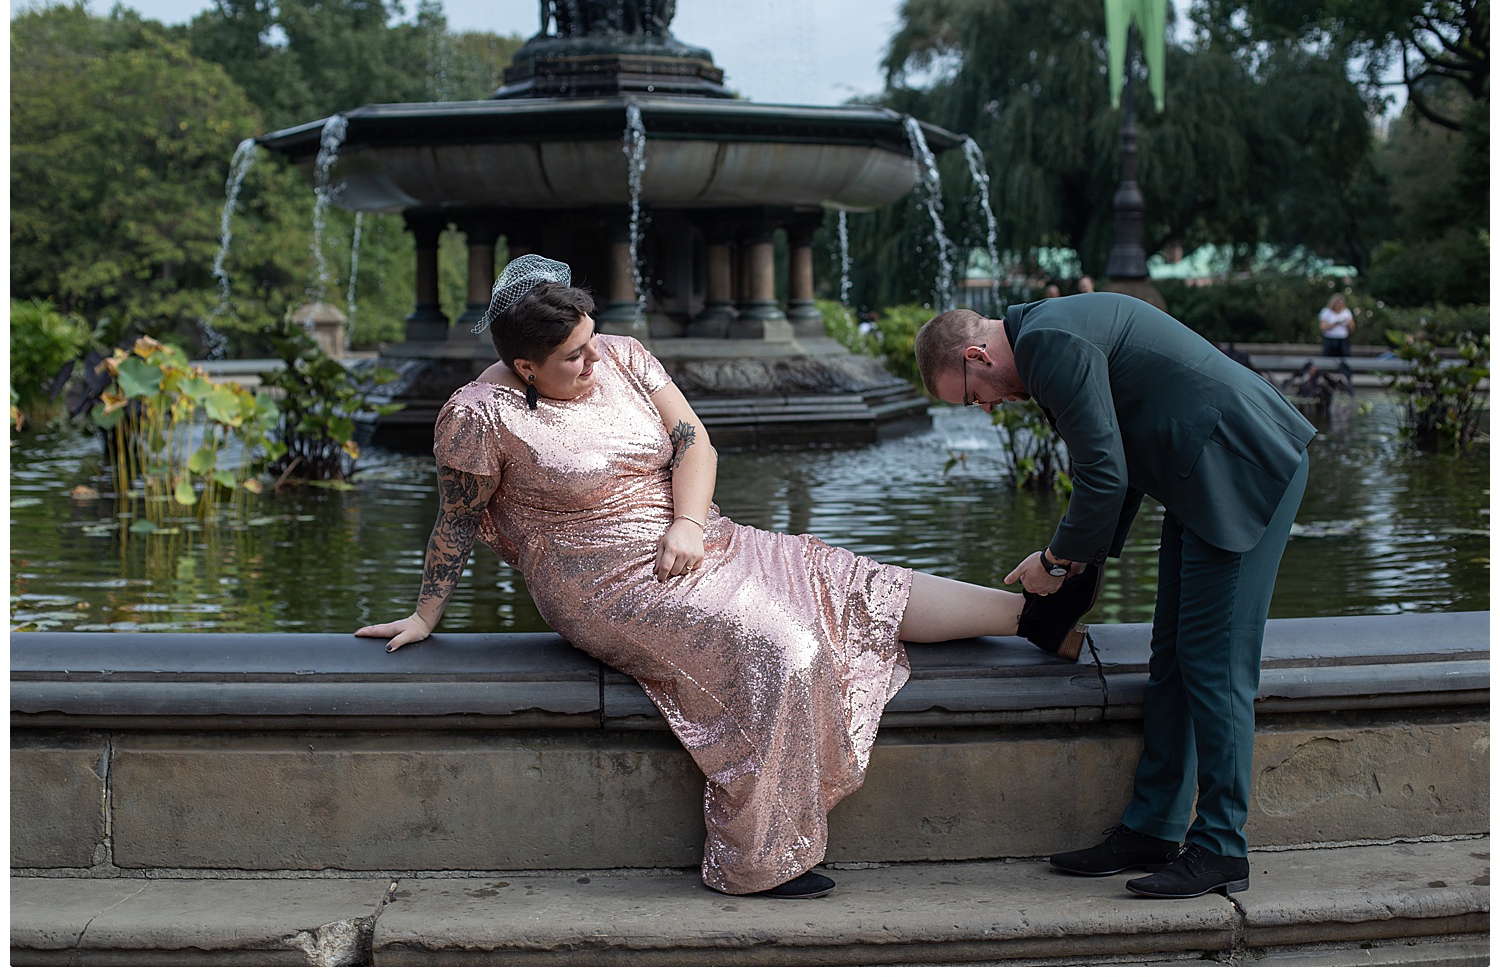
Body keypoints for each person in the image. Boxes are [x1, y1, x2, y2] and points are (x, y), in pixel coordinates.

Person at [356, 256, 1098, 901]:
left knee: (840, 576)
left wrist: (685, 522)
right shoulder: (480, 416)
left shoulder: (621, 354)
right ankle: (758, 859)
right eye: (574, 357)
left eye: (590, 342)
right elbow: (456, 519)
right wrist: (425, 615)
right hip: (606, 580)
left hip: (697, 534)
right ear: (525, 367)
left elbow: (693, 439)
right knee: (788, 645)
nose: (593, 360)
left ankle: (1034, 617)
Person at [913, 292, 1315, 899]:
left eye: (972, 396)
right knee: (1174, 658)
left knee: (1215, 665)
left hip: (1243, 465)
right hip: (1200, 473)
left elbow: (1103, 473)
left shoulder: (1049, 345)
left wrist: (1056, 561)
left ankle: (1222, 849)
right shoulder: (1044, 339)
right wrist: (1073, 563)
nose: (987, 408)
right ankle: (1153, 828)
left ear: (977, 355)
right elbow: (1115, 465)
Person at [1319, 292, 1354, 357]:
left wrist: (1348, 324)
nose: (1339, 305)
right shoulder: (1326, 312)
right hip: (1330, 338)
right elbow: (1322, 327)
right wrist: (1334, 324)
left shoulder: (1346, 312)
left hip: (1343, 339)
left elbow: (1352, 327)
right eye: (1337, 303)